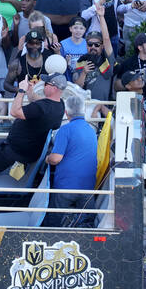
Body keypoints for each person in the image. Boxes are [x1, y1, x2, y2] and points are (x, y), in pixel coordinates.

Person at [0, 72, 66, 222]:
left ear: (54, 88)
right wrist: (30, 92)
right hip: (28, 151)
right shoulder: (59, 105)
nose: (43, 85)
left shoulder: (42, 107)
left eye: (47, 84)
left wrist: (21, 91)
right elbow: (38, 102)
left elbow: (14, 111)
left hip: (14, 151)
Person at [44, 91, 99, 227]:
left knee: (54, 221)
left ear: (66, 113)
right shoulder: (91, 130)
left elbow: (56, 159)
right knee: (87, 223)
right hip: (88, 187)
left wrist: (47, 159)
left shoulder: (65, 130)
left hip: (66, 186)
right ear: (83, 110)